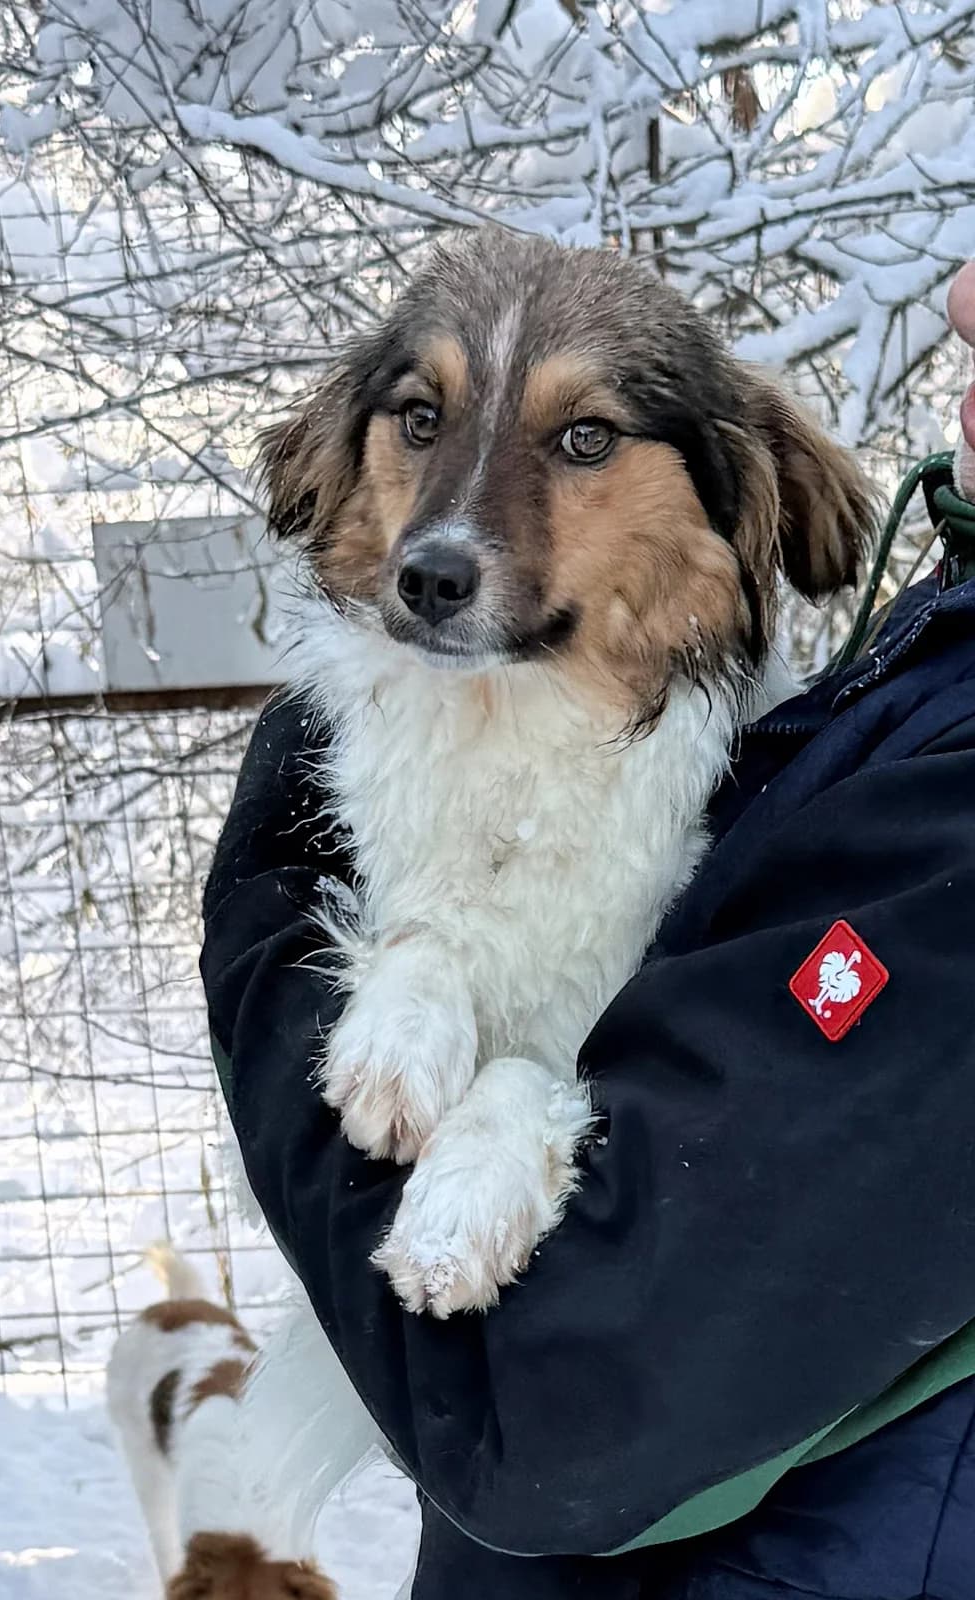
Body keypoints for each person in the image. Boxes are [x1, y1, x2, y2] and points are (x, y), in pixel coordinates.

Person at [199, 260, 975, 1600]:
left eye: (584, 439)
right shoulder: (919, 659)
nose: (447, 532)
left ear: (734, 495)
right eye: (422, 422)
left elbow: (549, 1390)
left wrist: (268, 927)